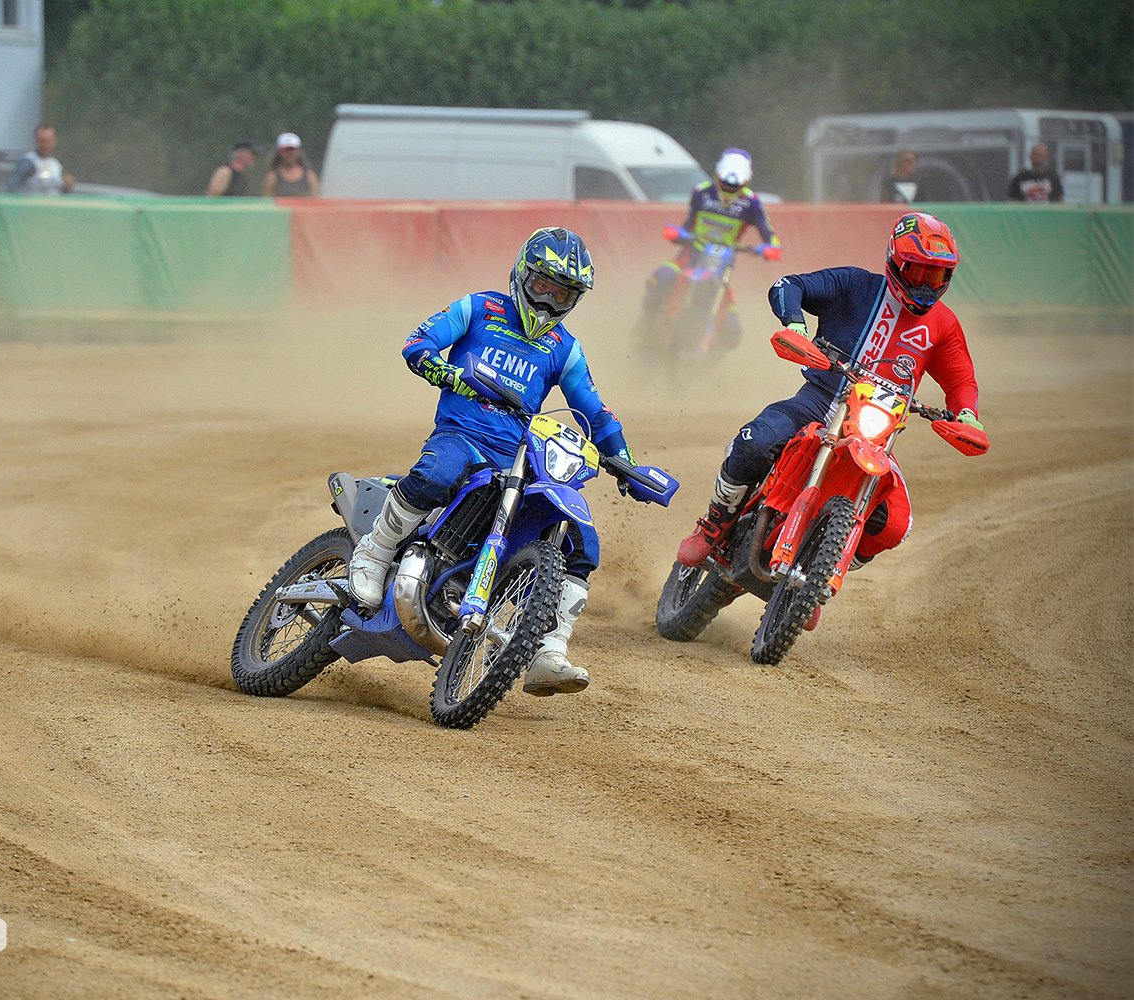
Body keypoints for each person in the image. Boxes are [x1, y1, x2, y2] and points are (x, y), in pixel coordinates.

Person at [347, 228, 649, 697]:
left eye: (563, 294)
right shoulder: (479, 308)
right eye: (543, 285)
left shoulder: (565, 348)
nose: (548, 301)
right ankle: (375, 551)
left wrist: (625, 461)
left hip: (518, 457)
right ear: (522, 275)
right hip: (461, 434)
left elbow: (595, 411)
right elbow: (419, 341)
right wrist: (442, 369)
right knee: (436, 475)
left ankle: (548, 649)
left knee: (579, 541)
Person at [674, 212, 984, 578]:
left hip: (877, 432)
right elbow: (788, 285)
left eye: (936, 276)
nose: (925, 286)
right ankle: (714, 524)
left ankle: (820, 571)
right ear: (896, 262)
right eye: (917, 272)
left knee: (895, 525)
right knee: (754, 443)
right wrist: (795, 324)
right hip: (819, 401)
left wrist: (966, 413)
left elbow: (962, 380)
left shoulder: (944, 324)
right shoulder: (855, 284)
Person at [635, 147, 781, 350]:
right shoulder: (701, 192)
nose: (728, 190)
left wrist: (769, 249)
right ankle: (646, 323)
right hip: (690, 256)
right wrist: (678, 234)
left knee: (732, 327)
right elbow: (687, 225)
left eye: (735, 187)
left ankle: (711, 357)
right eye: (725, 184)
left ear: (745, 182)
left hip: (721, 268)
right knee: (661, 277)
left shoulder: (752, 203)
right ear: (717, 176)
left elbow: (770, 235)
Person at [7, 123, 75, 195]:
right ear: (36, 141)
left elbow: (57, 190)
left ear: (55, 141)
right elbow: (12, 186)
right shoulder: (28, 161)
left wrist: (67, 186)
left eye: (49, 141)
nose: (46, 145)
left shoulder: (55, 164)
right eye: (42, 141)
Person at [260, 132, 319, 197]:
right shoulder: (272, 177)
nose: (290, 153)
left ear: (298, 151)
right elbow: (267, 200)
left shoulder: (310, 177)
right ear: (279, 152)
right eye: (285, 150)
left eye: (292, 149)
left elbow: (315, 198)